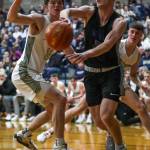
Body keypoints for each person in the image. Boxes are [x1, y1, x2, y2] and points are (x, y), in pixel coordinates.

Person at [61, 0, 127, 150]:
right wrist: (64, 19)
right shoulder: (88, 12)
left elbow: (107, 44)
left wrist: (85, 55)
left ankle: (120, 146)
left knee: (105, 115)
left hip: (111, 72)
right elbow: (67, 11)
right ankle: (111, 134)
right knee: (98, 121)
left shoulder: (119, 21)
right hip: (91, 73)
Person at [7, 0, 73, 149]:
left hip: (34, 74)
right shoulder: (39, 19)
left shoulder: (61, 28)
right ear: (46, 6)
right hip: (24, 71)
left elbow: (72, 54)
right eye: (53, 2)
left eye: (59, 3)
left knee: (52, 109)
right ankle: (60, 145)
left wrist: (89, 58)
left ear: (63, 6)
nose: (56, 5)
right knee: (61, 99)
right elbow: (11, 18)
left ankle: (24, 134)